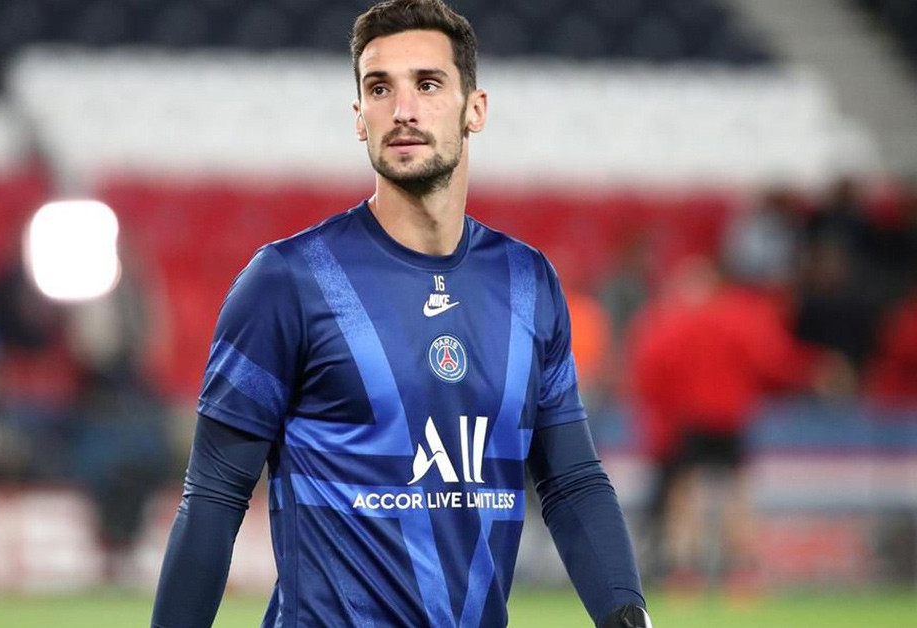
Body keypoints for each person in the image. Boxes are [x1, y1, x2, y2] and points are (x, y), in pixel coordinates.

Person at [152, 1, 648, 626]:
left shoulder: (528, 283)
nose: (402, 109)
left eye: (428, 84)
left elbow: (571, 480)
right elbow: (213, 499)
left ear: (475, 110)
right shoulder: (287, 281)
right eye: (379, 88)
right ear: (359, 118)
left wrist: (627, 613)